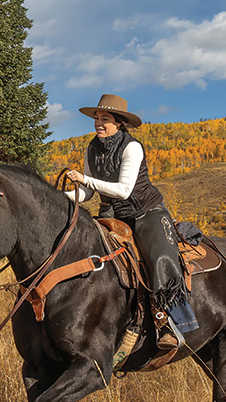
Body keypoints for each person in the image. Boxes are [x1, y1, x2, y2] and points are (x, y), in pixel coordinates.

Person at [63, 94, 198, 351]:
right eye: (97, 119)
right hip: (111, 215)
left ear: (119, 123)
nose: (99, 124)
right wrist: (59, 199)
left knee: (159, 258)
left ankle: (171, 323)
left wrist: (84, 179)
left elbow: (124, 190)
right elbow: (87, 194)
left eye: (105, 119)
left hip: (146, 212)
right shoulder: (91, 149)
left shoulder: (132, 147)